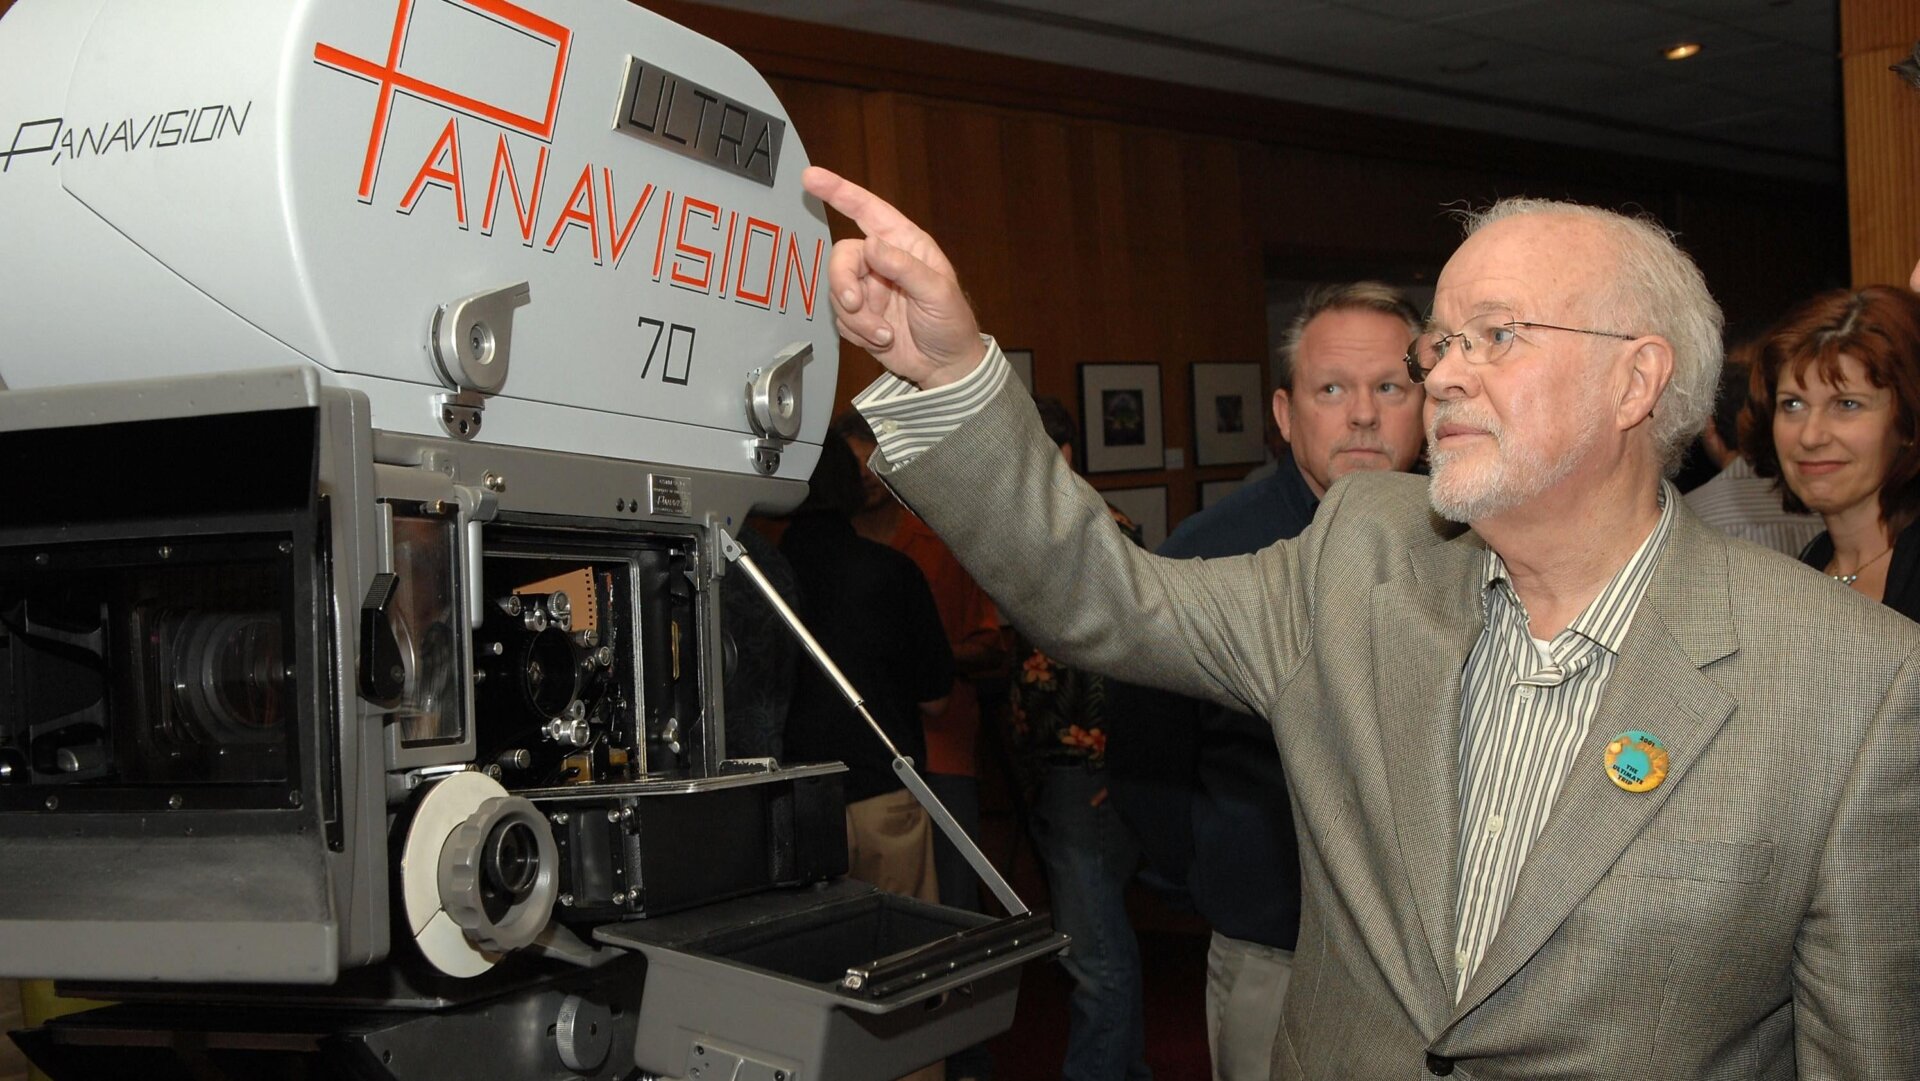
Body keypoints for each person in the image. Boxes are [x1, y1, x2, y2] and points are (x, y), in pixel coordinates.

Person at [799, 164, 1920, 1080]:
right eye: (1442, 342)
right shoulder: (1364, 554)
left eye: (1496, 335)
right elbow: (1106, 597)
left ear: (1637, 381)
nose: (1441, 376)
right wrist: (950, 372)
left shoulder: (1853, 680)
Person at [1107, 281, 1425, 1081]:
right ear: (1285, 415)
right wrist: (1222, 873)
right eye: (1332, 389)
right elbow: (1148, 749)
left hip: (1436, 963)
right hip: (1270, 945)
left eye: (1390, 386)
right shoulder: (1209, 552)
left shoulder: (1475, 541)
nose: (1362, 414)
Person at [834, 409, 1005, 1081]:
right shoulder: (825, 551)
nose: (867, 478)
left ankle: (966, 1062)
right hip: (867, 770)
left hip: (945, 758)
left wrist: (921, 658)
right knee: (876, 938)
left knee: (955, 925)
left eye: (874, 463)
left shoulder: (939, 543)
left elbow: (993, 645)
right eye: (852, 466)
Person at [1008, 395, 1151, 1081]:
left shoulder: (1105, 535)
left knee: (1094, 958)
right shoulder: (1033, 531)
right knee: (1093, 947)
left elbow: (1139, 665)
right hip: (1052, 770)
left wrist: (1113, 774)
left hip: (1089, 773)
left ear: (1062, 455)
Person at [778, 428, 953, 906]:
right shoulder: (892, 571)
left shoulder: (755, 575)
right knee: (902, 959)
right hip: (884, 793)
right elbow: (936, 699)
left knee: (812, 965)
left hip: (791, 804)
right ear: (849, 484)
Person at [1743, 285, 1920, 620]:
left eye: (1847, 404)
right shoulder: (1807, 565)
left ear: (1908, 423)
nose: (1811, 436)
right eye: (1792, 404)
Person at [1682, 342, 1825, 556]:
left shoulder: (1690, 516)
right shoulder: (1827, 506)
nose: (1811, 437)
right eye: (1792, 405)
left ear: (1709, 427)